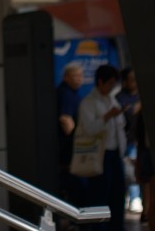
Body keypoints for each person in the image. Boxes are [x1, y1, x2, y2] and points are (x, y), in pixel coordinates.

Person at [78, 64, 127, 231]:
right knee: (99, 195)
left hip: (115, 153)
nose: (112, 87)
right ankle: (98, 229)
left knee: (117, 194)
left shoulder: (112, 99)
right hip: (99, 155)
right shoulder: (89, 102)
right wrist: (107, 116)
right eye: (110, 83)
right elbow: (89, 128)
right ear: (100, 82)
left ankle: (116, 227)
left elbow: (120, 125)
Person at [57, 62, 87, 208]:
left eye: (81, 75)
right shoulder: (66, 93)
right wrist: (77, 140)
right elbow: (65, 118)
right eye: (75, 76)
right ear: (66, 77)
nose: (79, 79)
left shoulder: (73, 93)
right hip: (67, 147)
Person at [117, 67, 142, 214]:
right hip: (128, 140)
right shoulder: (120, 97)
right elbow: (129, 113)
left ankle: (137, 197)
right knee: (130, 171)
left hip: (140, 140)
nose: (135, 82)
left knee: (140, 169)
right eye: (132, 79)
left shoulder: (139, 95)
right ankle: (134, 197)